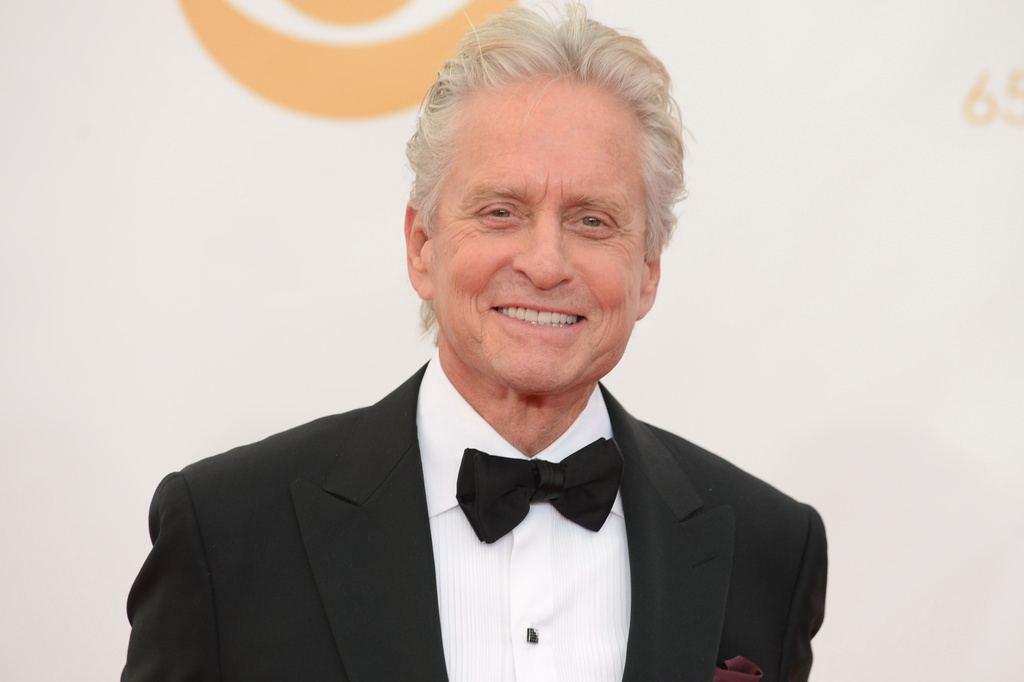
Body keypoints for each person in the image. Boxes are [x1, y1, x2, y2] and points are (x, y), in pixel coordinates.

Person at [122, 4, 826, 681]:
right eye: (500, 212)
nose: (546, 264)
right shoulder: (228, 532)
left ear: (647, 273)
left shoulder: (769, 550)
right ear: (422, 245)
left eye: (592, 220)